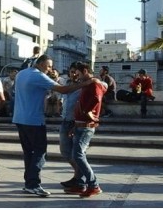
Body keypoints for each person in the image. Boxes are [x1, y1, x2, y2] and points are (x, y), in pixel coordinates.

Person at [12, 56, 92, 197]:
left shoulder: (21, 73)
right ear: (41, 64)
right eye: (48, 66)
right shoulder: (38, 76)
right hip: (34, 120)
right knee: (40, 152)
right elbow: (64, 90)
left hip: (19, 118)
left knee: (28, 152)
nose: (50, 69)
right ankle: (33, 184)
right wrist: (86, 84)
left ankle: (29, 183)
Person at [64, 61, 106, 197]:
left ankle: (93, 185)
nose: (75, 74)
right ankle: (81, 184)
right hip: (80, 125)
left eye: (78, 72)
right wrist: (75, 125)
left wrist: (88, 112)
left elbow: (96, 98)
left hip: (86, 126)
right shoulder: (87, 85)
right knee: (78, 155)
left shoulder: (94, 84)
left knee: (78, 155)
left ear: (85, 71)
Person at [59, 62, 83, 190]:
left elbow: (103, 85)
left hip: (76, 122)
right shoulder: (66, 84)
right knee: (65, 151)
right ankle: (78, 175)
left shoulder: (84, 86)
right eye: (71, 71)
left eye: (76, 72)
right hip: (65, 120)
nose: (73, 74)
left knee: (76, 153)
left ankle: (78, 178)